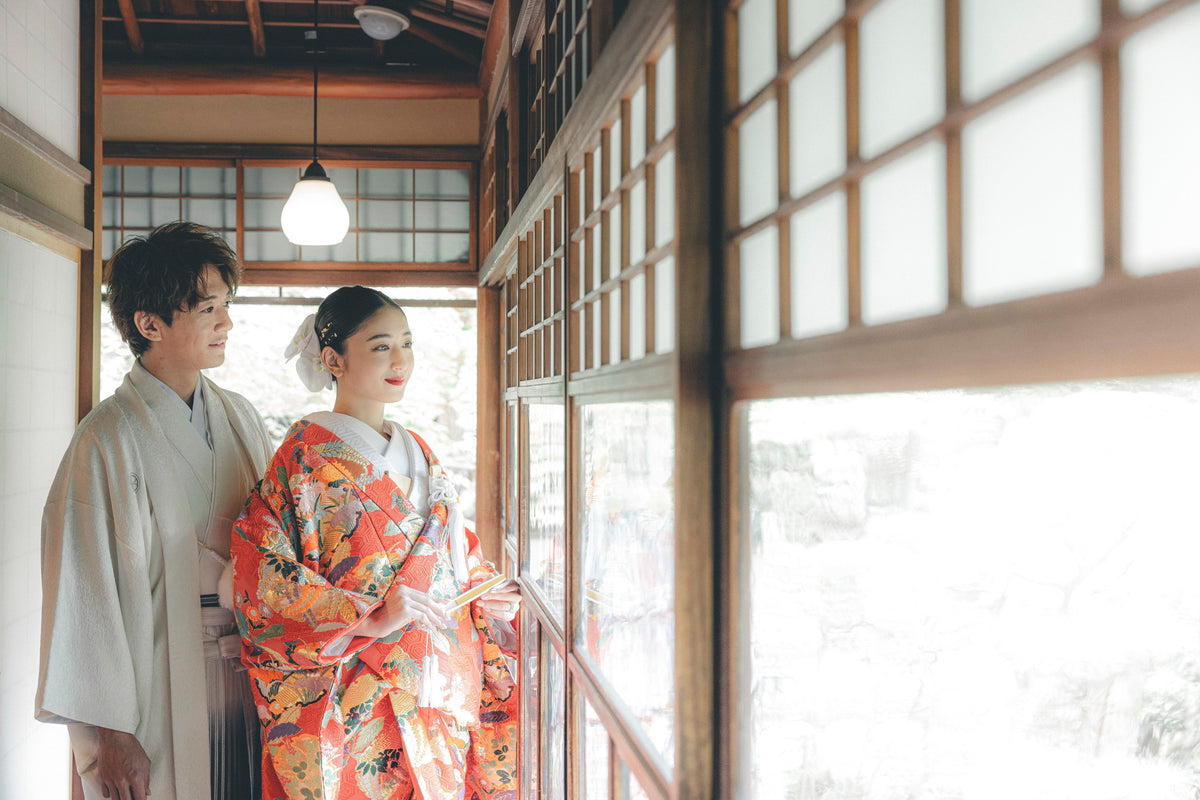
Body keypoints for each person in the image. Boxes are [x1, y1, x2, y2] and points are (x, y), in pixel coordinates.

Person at [231, 286, 520, 800]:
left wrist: (482, 586)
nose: (400, 360)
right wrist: (373, 618)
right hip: (353, 692)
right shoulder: (301, 458)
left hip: (436, 683)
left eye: (406, 344)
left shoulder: (420, 449)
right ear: (332, 358)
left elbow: (454, 550)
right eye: (381, 345)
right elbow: (262, 574)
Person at [36, 222, 274, 800]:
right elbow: (84, 590)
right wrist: (110, 731)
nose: (227, 323)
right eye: (210, 308)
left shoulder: (240, 417)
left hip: (250, 675)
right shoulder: (107, 439)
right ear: (150, 324)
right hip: (159, 682)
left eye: (227, 305)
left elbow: (277, 541)